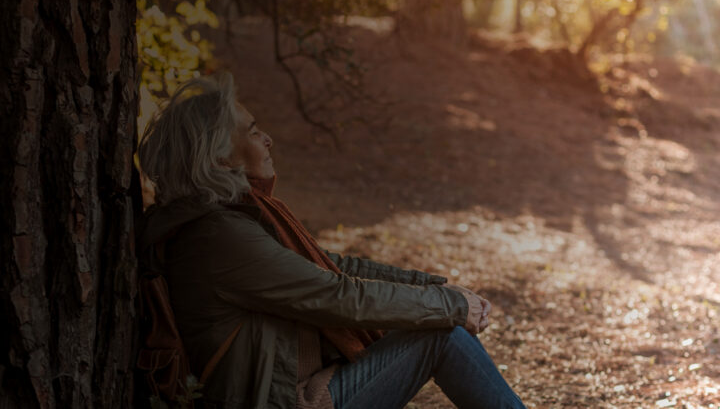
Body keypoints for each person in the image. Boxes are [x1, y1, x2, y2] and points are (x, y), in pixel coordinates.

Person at [137, 72, 526, 409]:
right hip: (289, 402)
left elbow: (337, 266)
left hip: (302, 388)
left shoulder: (226, 220)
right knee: (442, 335)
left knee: (437, 319)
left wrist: (436, 288)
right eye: (254, 132)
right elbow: (338, 295)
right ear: (220, 157)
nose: (268, 138)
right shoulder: (218, 237)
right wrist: (450, 306)